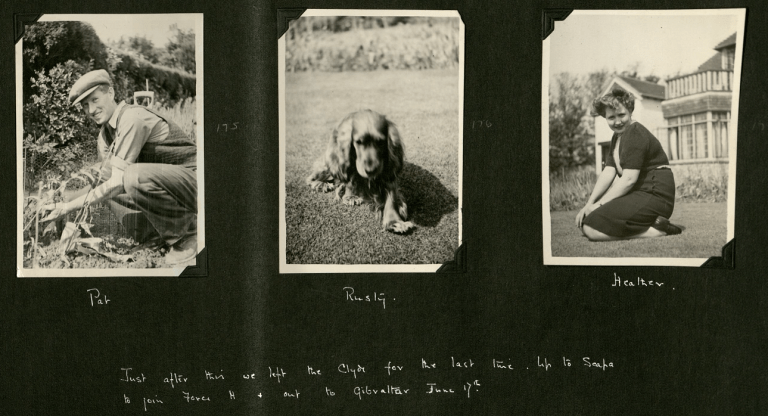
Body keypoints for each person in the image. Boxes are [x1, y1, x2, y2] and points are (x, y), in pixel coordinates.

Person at [41, 69, 198, 265]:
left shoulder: (133, 118)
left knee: (132, 176)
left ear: (111, 93)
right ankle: (156, 236)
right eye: (85, 105)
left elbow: (117, 182)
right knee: (105, 180)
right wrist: (64, 197)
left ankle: (188, 235)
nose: (91, 110)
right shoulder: (105, 135)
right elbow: (102, 180)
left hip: (197, 185)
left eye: (95, 100)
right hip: (173, 191)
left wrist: (67, 207)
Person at [575, 89, 681, 241]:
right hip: (640, 194)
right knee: (588, 220)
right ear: (605, 117)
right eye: (611, 117)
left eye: (621, 115)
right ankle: (654, 225)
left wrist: (598, 205)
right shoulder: (618, 136)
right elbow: (609, 172)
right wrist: (589, 204)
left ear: (630, 111)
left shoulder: (634, 132)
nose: (617, 121)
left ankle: (657, 231)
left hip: (655, 195)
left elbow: (629, 179)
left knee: (591, 227)